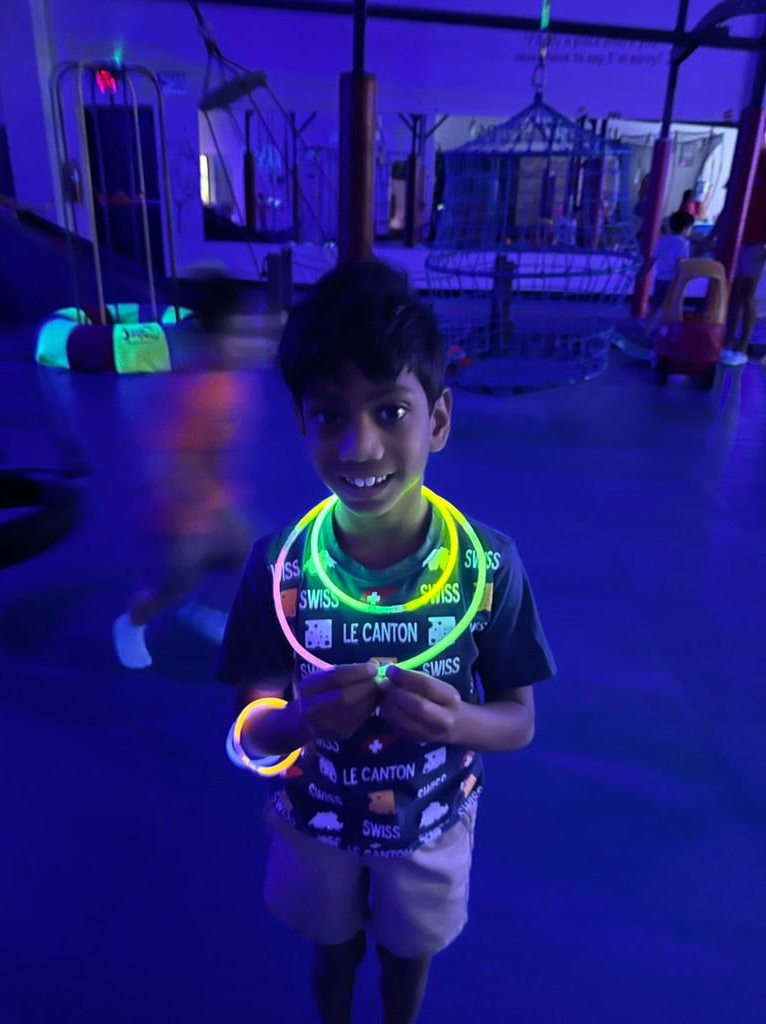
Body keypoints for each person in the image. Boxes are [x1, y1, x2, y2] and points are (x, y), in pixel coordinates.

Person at [216, 258, 556, 1024]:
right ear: (301, 422)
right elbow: (249, 734)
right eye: (329, 414)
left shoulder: (488, 566)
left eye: (390, 412)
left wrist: (457, 723)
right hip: (316, 822)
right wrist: (298, 722)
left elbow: (519, 719)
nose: (360, 447)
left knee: (410, 959)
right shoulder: (278, 568)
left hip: (432, 825)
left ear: (437, 417)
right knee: (330, 953)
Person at [113, 271, 253, 669]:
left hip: (212, 504)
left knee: (252, 555)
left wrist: (220, 503)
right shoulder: (195, 391)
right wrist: (194, 516)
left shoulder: (231, 384)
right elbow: (167, 461)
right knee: (175, 582)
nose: (246, 344)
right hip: (175, 514)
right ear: (212, 339)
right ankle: (131, 622)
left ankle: (211, 613)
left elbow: (219, 453)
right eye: (237, 334)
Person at [720, 149, 766, 367]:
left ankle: (742, 347)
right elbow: (729, 203)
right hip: (738, 237)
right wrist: (710, 238)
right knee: (735, 292)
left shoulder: (759, 159)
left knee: (746, 293)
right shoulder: (747, 158)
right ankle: (729, 343)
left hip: (756, 241)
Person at [646, 209, 695, 333]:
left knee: (655, 306)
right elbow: (680, 263)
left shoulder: (662, 241)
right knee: (673, 307)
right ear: (685, 228)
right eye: (690, 228)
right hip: (674, 280)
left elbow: (652, 259)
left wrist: (643, 272)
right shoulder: (684, 244)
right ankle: (666, 331)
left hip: (660, 279)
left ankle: (647, 330)